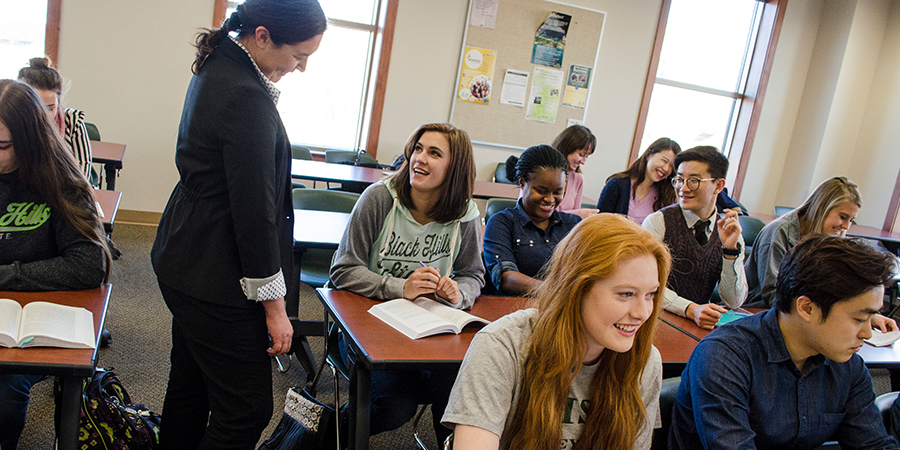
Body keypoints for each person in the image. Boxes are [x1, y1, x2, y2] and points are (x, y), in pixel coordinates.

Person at [149, 1, 326, 448]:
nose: (301, 68)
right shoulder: (245, 95)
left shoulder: (219, 65)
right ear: (263, 36)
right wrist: (275, 308)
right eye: (298, 56)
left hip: (186, 256)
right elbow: (254, 216)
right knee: (245, 409)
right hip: (216, 270)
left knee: (190, 384)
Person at [443, 213, 669, 450]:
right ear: (576, 288)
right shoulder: (502, 346)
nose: (643, 313)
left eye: (650, 294)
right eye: (626, 294)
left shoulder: (645, 362)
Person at [329, 122, 485, 442]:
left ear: (454, 168)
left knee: (458, 397)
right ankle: (320, 431)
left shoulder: (465, 213)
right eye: (418, 149)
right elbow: (342, 269)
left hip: (429, 333)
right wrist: (400, 287)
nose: (420, 158)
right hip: (367, 326)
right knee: (394, 406)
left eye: (434, 153)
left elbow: (474, 274)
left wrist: (459, 293)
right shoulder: (379, 199)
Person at [669, 234, 900, 449]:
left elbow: (874, 444)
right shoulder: (724, 358)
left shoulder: (847, 366)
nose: (868, 333)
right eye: (859, 318)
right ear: (807, 308)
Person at [0, 79, 109, 450]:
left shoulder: (61, 182)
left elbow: (89, 265)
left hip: (36, 325)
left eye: (2, 146)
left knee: (4, 395)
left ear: (30, 139)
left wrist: (11, 275)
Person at [745, 176, 897, 331]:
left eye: (851, 220)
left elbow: (837, 291)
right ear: (822, 208)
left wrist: (868, 316)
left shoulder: (830, 240)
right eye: (843, 217)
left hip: (807, 315)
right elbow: (773, 294)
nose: (846, 226)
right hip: (761, 313)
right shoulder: (779, 232)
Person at [642, 146, 746, 330]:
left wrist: (730, 252)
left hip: (699, 326)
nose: (683, 188)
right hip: (653, 320)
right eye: (680, 180)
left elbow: (733, 300)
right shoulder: (658, 222)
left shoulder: (729, 231)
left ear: (719, 186)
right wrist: (689, 308)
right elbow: (645, 284)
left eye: (694, 180)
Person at [483, 145, 581, 296]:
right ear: (522, 183)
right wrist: (556, 293)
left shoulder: (573, 225)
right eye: (541, 191)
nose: (550, 199)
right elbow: (506, 278)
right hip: (511, 310)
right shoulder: (502, 222)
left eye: (558, 192)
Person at [17, 57, 93, 179]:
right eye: (37, 108)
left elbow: (82, 175)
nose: (44, 115)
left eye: (50, 108)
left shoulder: (72, 121)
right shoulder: (10, 123)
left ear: (59, 102)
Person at [598, 137, 680, 224]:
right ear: (649, 155)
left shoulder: (665, 196)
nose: (666, 168)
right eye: (664, 161)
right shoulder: (617, 184)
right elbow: (598, 222)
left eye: (671, 166)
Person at [552, 124, 597, 219]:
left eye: (587, 156)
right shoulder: (542, 173)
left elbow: (574, 220)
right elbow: (539, 215)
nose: (583, 162)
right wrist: (578, 214)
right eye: (581, 155)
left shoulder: (578, 179)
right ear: (567, 148)